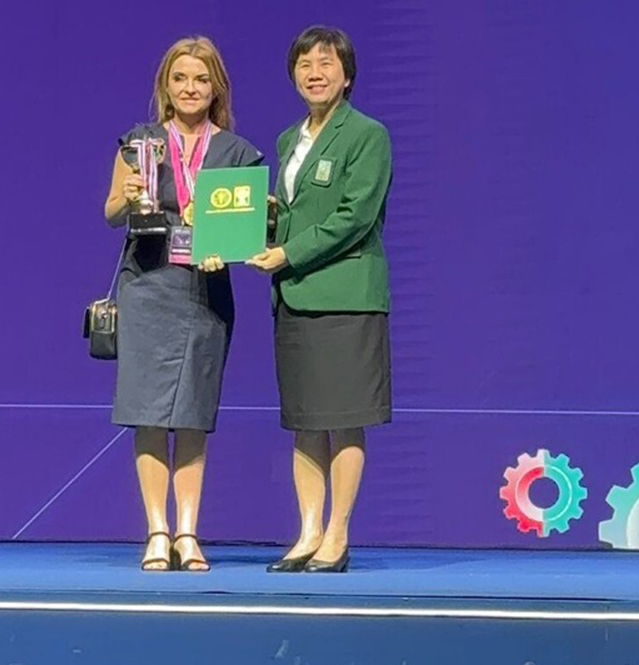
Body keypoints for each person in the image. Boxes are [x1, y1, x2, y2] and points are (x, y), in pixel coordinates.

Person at [103, 36, 262, 572]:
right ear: (165, 87)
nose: (190, 88)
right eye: (180, 79)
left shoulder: (237, 152)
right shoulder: (139, 142)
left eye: (200, 79)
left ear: (216, 88)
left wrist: (233, 245)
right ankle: (157, 532)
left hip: (205, 294)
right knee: (148, 415)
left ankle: (188, 534)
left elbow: (251, 228)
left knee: (192, 415)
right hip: (148, 286)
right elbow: (110, 213)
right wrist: (128, 196)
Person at [248, 26, 393, 573]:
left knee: (345, 419)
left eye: (326, 63)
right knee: (306, 421)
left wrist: (287, 252)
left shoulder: (368, 135)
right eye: (305, 64)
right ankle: (308, 533)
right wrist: (256, 222)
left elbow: (354, 217)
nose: (315, 73)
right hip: (294, 296)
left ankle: (338, 534)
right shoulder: (289, 139)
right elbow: (296, 212)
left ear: (347, 75)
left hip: (346, 296)